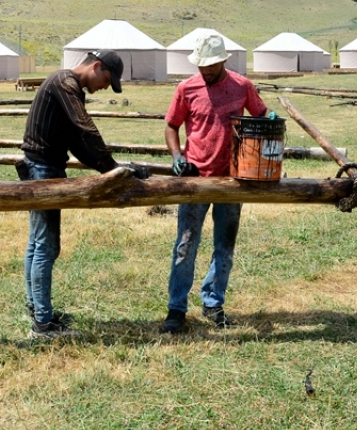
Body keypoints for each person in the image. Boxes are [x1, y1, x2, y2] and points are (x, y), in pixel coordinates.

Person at [20, 49, 149, 339]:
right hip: (43, 169)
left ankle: (37, 308)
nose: (105, 86)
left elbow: (77, 143)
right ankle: (42, 324)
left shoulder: (65, 85)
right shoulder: (66, 84)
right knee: (46, 246)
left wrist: (108, 171)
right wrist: (113, 167)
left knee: (37, 243)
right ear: (97, 66)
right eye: (107, 79)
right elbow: (86, 131)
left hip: (41, 165)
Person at [161, 33, 271, 333]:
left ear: (224, 60)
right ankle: (176, 308)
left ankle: (213, 303)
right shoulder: (187, 88)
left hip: (233, 178)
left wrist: (270, 121)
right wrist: (176, 154)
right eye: (201, 66)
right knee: (186, 244)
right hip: (195, 178)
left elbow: (262, 116)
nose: (205, 71)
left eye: (210, 66)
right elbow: (171, 126)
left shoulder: (242, 86)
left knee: (225, 245)